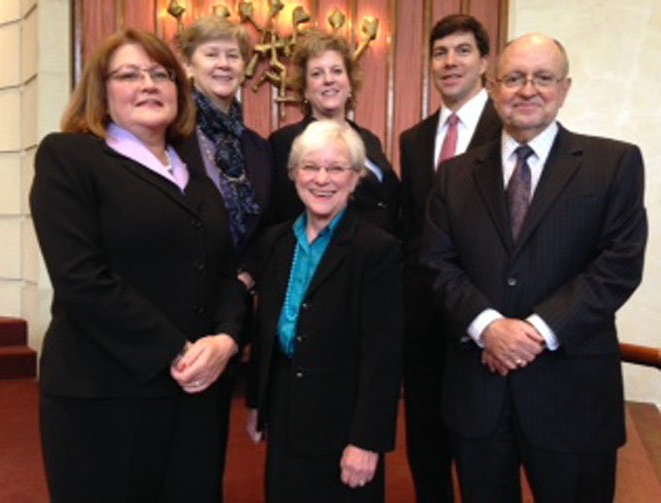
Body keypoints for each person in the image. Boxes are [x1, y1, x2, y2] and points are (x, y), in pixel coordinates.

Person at [422, 33, 647, 502]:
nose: (528, 90)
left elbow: (618, 266)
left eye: (543, 78)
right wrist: (489, 328)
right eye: (514, 78)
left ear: (564, 89)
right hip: (479, 399)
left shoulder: (614, 163)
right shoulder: (455, 175)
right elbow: (437, 264)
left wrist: (534, 332)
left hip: (573, 398)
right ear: (493, 86)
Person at [30, 29, 246, 502]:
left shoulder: (198, 181)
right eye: (129, 74)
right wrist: (177, 351)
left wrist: (227, 339)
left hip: (194, 396)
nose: (148, 84)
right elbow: (81, 279)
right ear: (101, 92)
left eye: (160, 74)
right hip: (106, 397)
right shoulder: (69, 157)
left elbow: (225, 274)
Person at [246, 120, 403, 503]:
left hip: (344, 423)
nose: (322, 179)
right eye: (310, 167)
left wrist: (366, 441)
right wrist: (257, 403)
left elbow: (384, 355)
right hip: (284, 414)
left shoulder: (377, 250)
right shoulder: (275, 241)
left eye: (336, 169)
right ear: (293, 174)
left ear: (355, 179)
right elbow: (266, 328)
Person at [399, 14, 501, 502]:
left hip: (489, 318)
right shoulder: (414, 140)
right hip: (424, 324)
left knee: (485, 453)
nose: (450, 61)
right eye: (440, 53)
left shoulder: (512, 125)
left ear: (485, 62)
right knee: (426, 444)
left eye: (463, 50)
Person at [176, 18, 274, 486]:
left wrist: (244, 281)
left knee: (207, 449)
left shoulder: (256, 147)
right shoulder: (168, 135)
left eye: (233, 55)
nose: (223, 63)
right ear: (187, 64)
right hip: (173, 306)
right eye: (211, 53)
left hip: (229, 311)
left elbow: (267, 228)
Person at [270, 29, 400, 235]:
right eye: (317, 73)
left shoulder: (369, 139)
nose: (328, 80)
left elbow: (392, 201)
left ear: (350, 82)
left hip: (381, 257)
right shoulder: (286, 141)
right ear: (304, 89)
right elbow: (282, 215)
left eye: (337, 71)